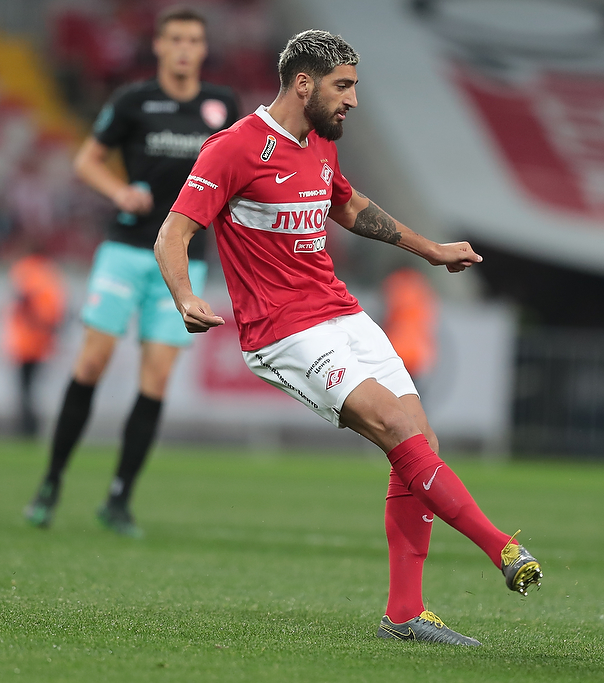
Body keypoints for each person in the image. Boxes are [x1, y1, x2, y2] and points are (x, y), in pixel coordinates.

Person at [153, 29, 542, 646]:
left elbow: (351, 207)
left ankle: (405, 615)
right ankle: (502, 547)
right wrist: (185, 296)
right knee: (396, 427)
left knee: (421, 440)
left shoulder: (318, 144)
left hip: (340, 311)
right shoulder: (233, 149)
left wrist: (431, 251)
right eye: (343, 86)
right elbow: (172, 234)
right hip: (282, 331)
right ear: (303, 84)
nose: (353, 100)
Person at [23, 6, 239, 537]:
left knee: (157, 377)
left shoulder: (224, 106)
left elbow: (238, 173)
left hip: (184, 260)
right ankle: (51, 482)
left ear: (203, 49)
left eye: (194, 39)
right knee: (91, 362)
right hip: (125, 249)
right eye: (176, 39)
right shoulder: (133, 100)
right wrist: (119, 192)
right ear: (159, 47)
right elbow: (87, 160)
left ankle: (119, 498)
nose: (185, 48)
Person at [4, 247, 66, 437]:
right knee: (31, 387)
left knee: (25, 387)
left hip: (25, 341)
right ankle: (30, 425)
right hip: (42, 342)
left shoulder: (25, 269)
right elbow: (57, 312)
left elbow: (24, 299)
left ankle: (27, 426)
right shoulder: (50, 274)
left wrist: (33, 323)